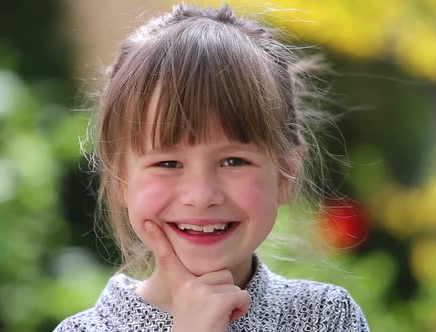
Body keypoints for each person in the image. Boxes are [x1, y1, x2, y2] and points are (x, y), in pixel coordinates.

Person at [54, 2, 369, 331]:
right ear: (120, 178)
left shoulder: (326, 318)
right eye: (168, 163)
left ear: (285, 173)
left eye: (234, 161)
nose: (202, 195)